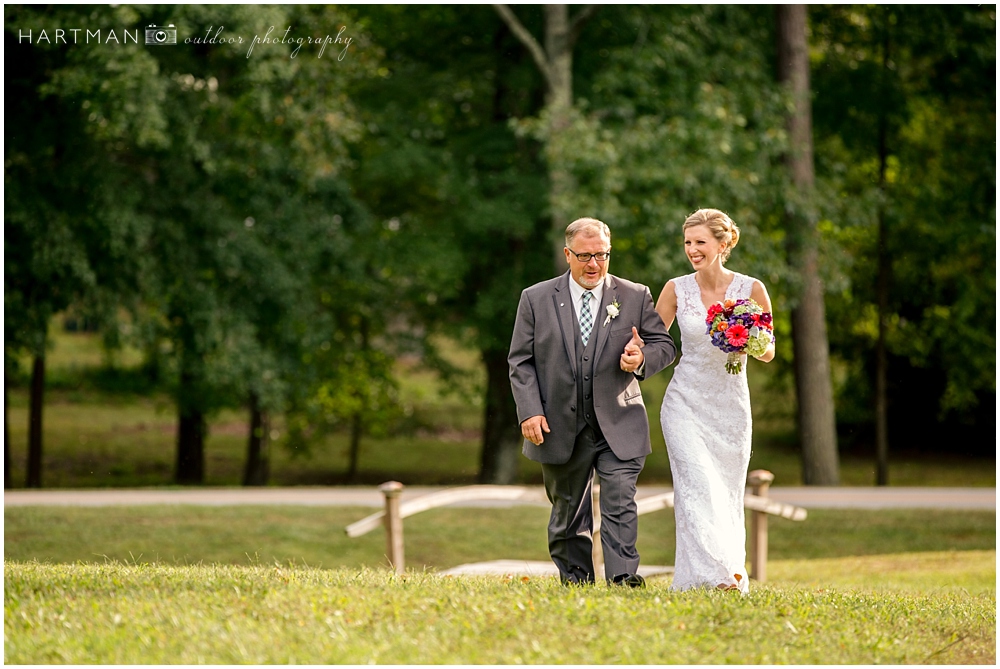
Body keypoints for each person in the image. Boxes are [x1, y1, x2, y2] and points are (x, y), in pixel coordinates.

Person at [508, 217, 677, 587]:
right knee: (568, 511)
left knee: (619, 501)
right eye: (585, 255)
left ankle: (622, 579)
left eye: (601, 254)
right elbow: (520, 361)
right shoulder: (535, 299)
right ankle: (576, 581)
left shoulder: (635, 295)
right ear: (567, 254)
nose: (594, 264)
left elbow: (664, 345)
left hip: (619, 421)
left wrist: (641, 358)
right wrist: (530, 410)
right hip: (558, 424)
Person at [655, 208, 775, 593]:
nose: (692, 249)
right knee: (697, 486)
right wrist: (632, 354)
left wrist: (743, 338)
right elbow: (653, 339)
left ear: (723, 244)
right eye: (688, 243)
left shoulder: (751, 289)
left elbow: (769, 351)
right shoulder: (676, 288)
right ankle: (718, 576)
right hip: (684, 403)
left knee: (725, 492)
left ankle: (719, 575)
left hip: (730, 409)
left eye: (700, 242)